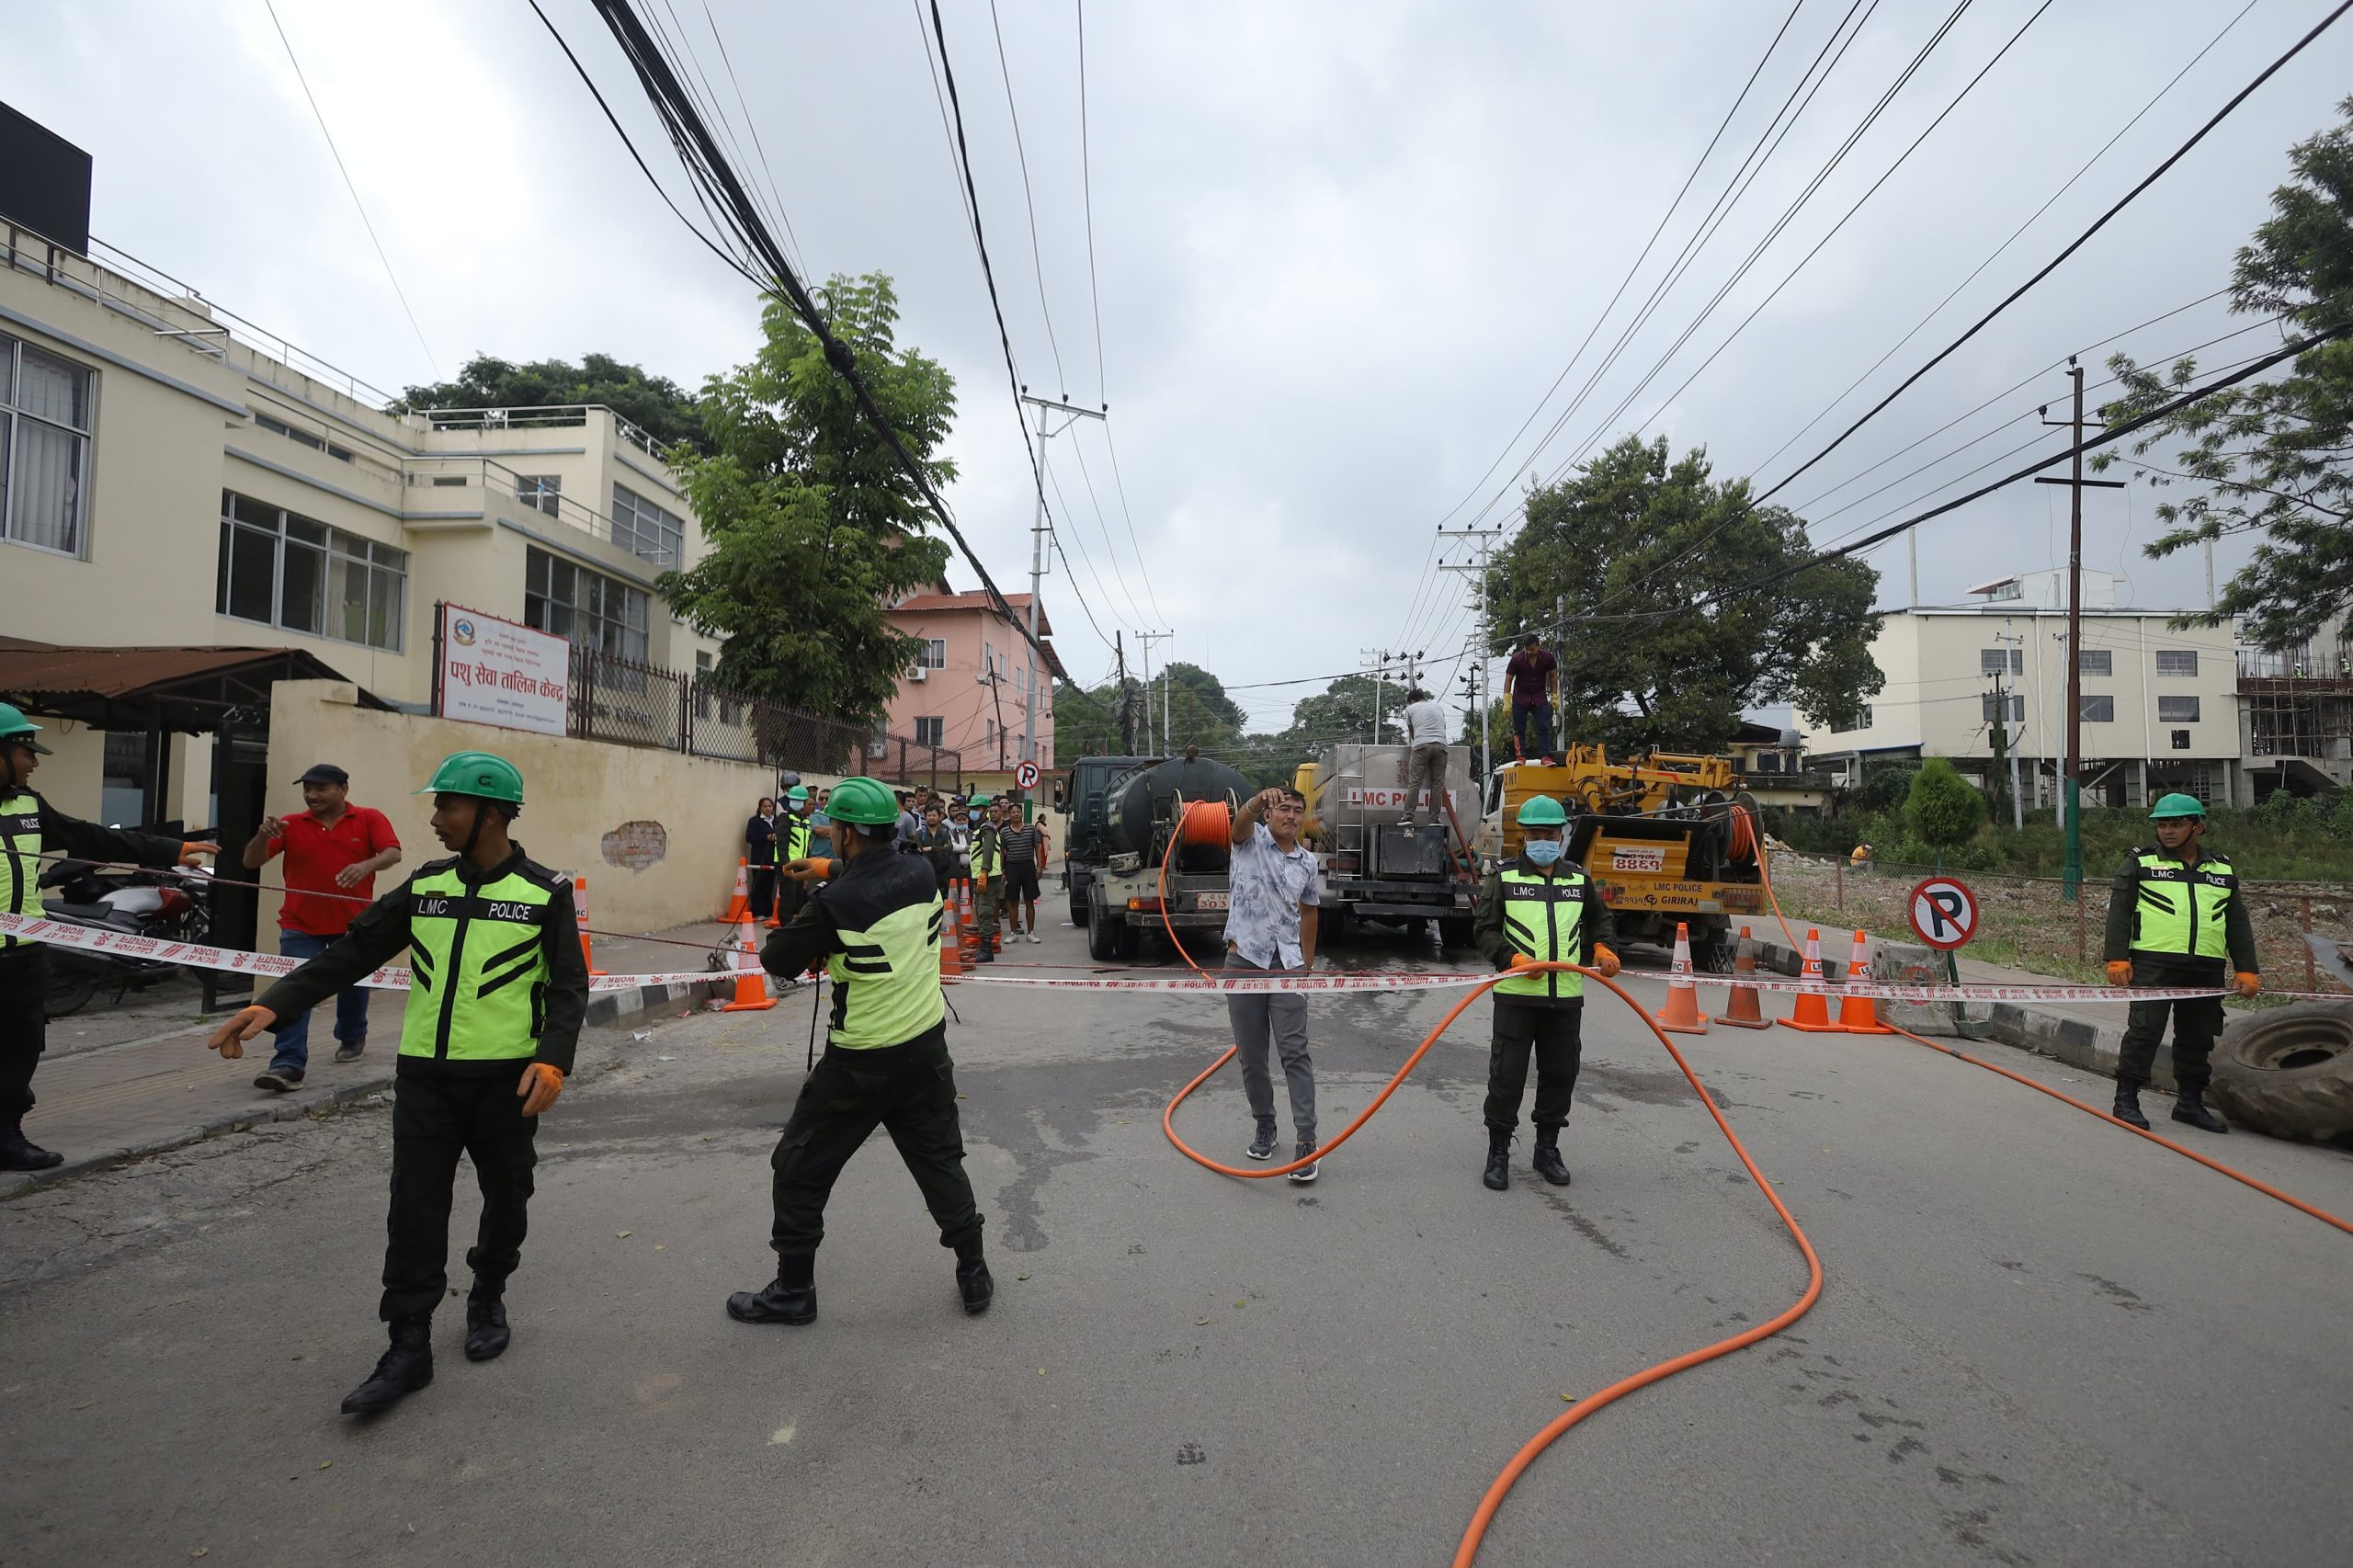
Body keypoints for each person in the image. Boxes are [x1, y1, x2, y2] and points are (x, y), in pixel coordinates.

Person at [206, 751, 586, 1415]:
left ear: (491, 814)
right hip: (425, 1080)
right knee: (413, 1209)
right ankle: (408, 1345)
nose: (436, 819)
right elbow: (353, 951)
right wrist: (277, 1005)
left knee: (507, 1195)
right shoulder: (428, 884)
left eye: (448, 806)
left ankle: (488, 1293)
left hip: (507, 1082)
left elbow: (567, 986)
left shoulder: (544, 891)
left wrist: (553, 1059)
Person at [728, 774, 992, 1326]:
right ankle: (974, 1273)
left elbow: (778, 958)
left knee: (797, 1168)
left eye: (834, 829)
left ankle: (793, 1290)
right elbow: (882, 875)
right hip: (926, 1051)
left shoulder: (834, 904)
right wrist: (826, 869)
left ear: (847, 833)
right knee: (941, 1165)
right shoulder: (922, 872)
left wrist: (816, 897)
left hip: (859, 1065)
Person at [0, 703, 216, 1171]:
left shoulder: (28, 805)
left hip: (24, 956)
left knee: (18, 1051)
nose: (33, 762)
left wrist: (171, 848)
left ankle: (6, 1138)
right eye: (25, 751)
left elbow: (93, 838)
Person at [1472, 796, 1618, 1190]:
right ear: (1524, 837)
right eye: (1535, 834)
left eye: (1549, 834)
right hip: (1517, 997)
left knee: (1561, 1074)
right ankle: (1498, 1153)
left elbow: (1599, 922)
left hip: (1565, 999)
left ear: (1561, 836)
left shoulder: (1578, 879)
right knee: (1507, 1077)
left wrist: (1603, 948)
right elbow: (1485, 930)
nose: (1542, 841)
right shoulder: (1504, 878)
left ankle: (1547, 1150)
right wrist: (1512, 959)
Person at [240, 763, 403, 1092]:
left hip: (354, 925)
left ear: (343, 789)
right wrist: (262, 836)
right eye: (307, 789)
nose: (311, 795)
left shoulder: (369, 818)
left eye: (321, 788)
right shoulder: (290, 824)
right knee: (295, 991)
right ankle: (288, 1063)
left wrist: (366, 865)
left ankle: (352, 1035)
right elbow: (251, 861)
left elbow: (392, 853)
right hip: (299, 925)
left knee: (353, 987)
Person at [2103, 793, 2257, 1133]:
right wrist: (2117, 958)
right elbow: (2119, 913)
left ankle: (2189, 1103)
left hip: (2206, 966)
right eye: (2162, 825)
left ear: (2197, 827)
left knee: (2198, 1037)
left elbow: (2237, 923)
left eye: (2176, 824)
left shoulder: (2222, 868)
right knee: (2145, 1032)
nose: (2168, 831)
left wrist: (2247, 968)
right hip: (2153, 963)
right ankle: (2126, 1100)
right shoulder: (2141, 862)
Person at [1223, 786, 1323, 1182]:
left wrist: (1306, 966)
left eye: (1298, 810)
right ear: (1269, 814)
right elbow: (1238, 825)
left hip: (1287, 966)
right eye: (1284, 808)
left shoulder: (1308, 862)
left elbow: (1310, 912)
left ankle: (1307, 1141)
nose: (1291, 816)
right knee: (1251, 1055)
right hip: (1244, 960)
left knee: (1294, 1053)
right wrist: (1255, 802)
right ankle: (1265, 1125)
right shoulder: (1249, 843)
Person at [1503, 634, 1559, 765]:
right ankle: (1521, 757)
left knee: (1543, 726)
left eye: (1532, 649)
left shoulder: (1547, 658)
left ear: (1538, 647)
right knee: (1519, 729)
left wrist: (1554, 696)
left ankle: (1545, 756)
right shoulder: (1516, 659)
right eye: (1527, 649)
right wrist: (1507, 700)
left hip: (1539, 697)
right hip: (1520, 698)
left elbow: (1553, 676)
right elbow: (1509, 678)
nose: (1529, 652)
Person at [1400, 687, 1451, 824]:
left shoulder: (1410, 709)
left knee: (1415, 783)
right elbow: (1443, 728)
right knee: (1437, 786)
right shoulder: (1438, 707)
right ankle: (1433, 819)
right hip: (1441, 745)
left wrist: (1420, 742)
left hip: (1421, 745)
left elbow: (1412, 733)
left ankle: (1408, 817)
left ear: (1412, 701)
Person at [997, 803, 1045, 944]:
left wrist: (1039, 866)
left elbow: (1037, 847)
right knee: (1012, 902)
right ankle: (1013, 933)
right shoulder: (1004, 832)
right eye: (1013, 812)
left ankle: (1031, 933)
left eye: (1018, 812)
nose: (1016, 814)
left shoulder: (1030, 829)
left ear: (1022, 814)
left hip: (1028, 867)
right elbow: (1001, 852)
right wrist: (1001, 870)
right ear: (1009, 814)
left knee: (1030, 901)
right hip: (1011, 868)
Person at [965, 794, 1002, 964]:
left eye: (977, 808)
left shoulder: (987, 829)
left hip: (988, 877)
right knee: (982, 912)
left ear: (985, 810)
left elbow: (988, 851)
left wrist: (984, 872)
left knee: (984, 912)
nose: (973, 811)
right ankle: (984, 947)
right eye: (972, 808)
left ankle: (987, 951)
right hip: (982, 876)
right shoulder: (980, 828)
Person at [744, 797, 780, 925]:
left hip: (773, 857)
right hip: (759, 857)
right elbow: (749, 838)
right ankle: (758, 911)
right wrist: (766, 837)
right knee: (758, 884)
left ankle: (768, 911)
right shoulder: (754, 821)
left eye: (770, 806)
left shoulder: (776, 821)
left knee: (769, 885)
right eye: (765, 806)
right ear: (760, 808)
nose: (768, 809)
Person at [912, 802, 960, 896]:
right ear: (925, 817)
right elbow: (919, 851)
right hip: (925, 874)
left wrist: (932, 848)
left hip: (943, 875)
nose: (931, 818)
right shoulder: (919, 834)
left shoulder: (945, 833)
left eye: (934, 815)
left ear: (939, 817)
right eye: (929, 815)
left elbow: (949, 849)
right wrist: (941, 848)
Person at [808, 788, 835, 859]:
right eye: (821, 798)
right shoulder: (814, 815)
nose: (824, 801)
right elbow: (819, 831)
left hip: (835, 860)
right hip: (817, 859)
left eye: (827, 799)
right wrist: (840, 830)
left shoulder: (838, 816)